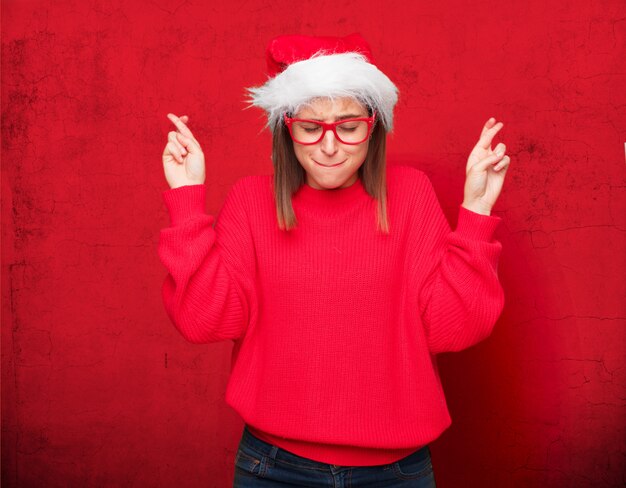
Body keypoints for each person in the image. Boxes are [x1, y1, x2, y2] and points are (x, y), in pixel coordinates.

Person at [158, 33, 510, 488]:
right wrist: (187, 201)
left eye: (348, 126)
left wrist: (476, 213)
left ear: (373, 127)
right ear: (287, 128)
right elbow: (204, 320)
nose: (329, 146)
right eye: (311, 127)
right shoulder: (251, 201)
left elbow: (454, 328)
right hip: (274, 467)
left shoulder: (410, 195)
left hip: (395, 472)